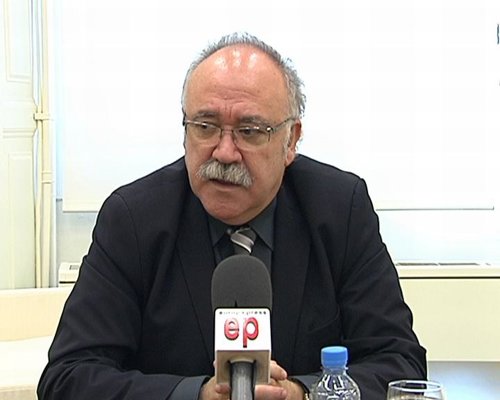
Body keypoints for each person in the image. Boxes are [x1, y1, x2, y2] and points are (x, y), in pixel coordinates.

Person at [38, 32, 426, 400]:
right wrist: (196, 395)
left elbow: (399, 364)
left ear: (291, 140)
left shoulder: (339, 209)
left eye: (250, 130)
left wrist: (302, 393)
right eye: (205, 127)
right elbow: (69, 377)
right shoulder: (134, 219)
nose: (224, 152)